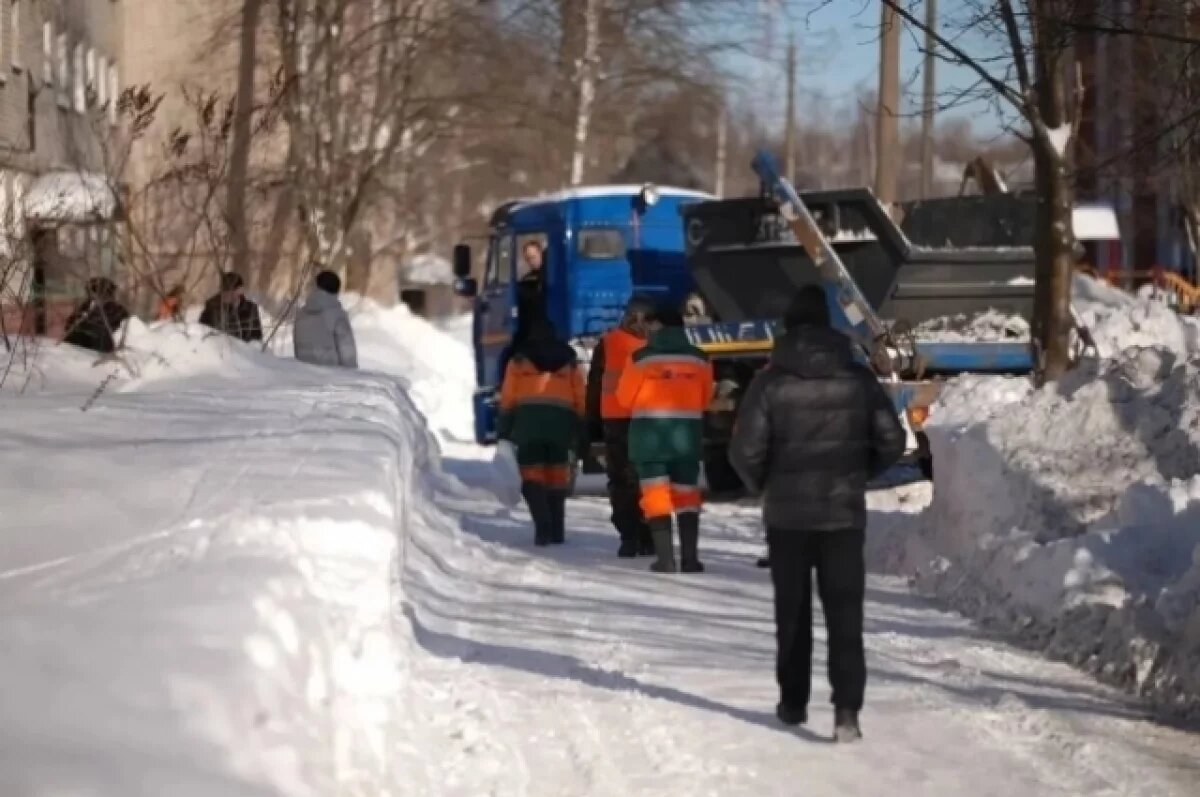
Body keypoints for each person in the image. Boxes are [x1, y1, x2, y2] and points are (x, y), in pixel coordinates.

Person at [728, 285, 905, 743]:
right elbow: (892, 440)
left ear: (788, 328)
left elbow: (744, 450)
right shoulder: (858, 378)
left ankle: (793, 703)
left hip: (787, 518)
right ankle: (847, 711)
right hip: (843, 515)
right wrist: (859, 472)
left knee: (793, 612)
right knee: (846, 613)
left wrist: (765, 485)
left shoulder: (770, 380)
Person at [615, 306, 714, 573]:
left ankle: (665, 559)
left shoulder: (640, 359)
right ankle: (690, 559)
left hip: (649, 439)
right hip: (686, 438)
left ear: (656, 325)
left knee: (656, 495)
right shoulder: (700, 359)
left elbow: (623, 399)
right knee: (687, 494)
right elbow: (705, 399)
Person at [497, 318, 586, 546]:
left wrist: (505, 426)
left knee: (532, 475)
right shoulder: (570, 360)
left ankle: (542, 527)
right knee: (557, 475)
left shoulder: (518, 359)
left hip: (529, 423)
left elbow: (508, 396)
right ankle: (557, 531)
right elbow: (580, 394)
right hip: (561, 422)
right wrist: (580, 423)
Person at [585, 295, 657, 558]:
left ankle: (629, 536)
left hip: (616, 420)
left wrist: (590, 422)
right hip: (649, 419)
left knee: (620, 479)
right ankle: (649, 535)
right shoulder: (655, 344)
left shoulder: (609, 342)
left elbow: (594, 384)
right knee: (649, 478)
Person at [293, 270, 358, 368]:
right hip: (331, 378)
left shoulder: (301, 315)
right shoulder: (337, 316)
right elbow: (347, 354)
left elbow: (297, 350)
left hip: (304, 375)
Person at [63, 277, 130, 354]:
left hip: (100, 353)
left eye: (94, 292)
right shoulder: (85, 307)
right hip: (76, 352)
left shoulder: (119, 311)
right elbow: (69, 327)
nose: (92, 296)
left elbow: (117, 335)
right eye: (90, 293)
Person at [200, 272, 263, 343]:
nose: (226, 293)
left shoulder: (250, 308)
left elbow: (256, 339)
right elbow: (201, 332)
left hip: (244, 351)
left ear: (240, 290)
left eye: (231, 290)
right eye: (224, 290)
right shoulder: (212, 307)